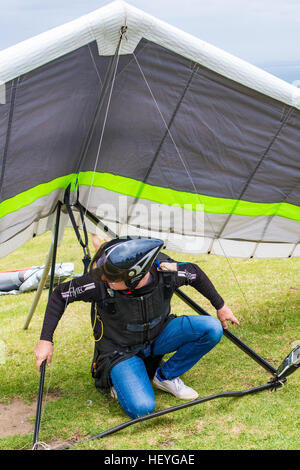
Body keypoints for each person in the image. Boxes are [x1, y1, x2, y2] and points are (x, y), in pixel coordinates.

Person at [35, 237, 239, 419]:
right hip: (120, 351)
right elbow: (61, 294)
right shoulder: (100, 282)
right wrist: (46, 339)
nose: (105, 279)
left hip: (159, 335)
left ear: (134, 277)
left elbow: (193, 272)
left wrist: (220, 306)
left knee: (211, 328)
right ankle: (120, 379)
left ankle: (165, 376)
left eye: (113, 279)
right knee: (141, 408)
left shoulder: (164, 270)